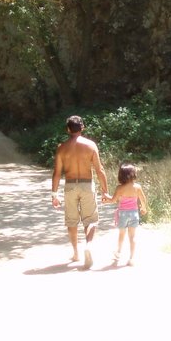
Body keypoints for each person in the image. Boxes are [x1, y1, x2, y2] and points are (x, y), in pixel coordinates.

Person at [51, 115, 109, 269]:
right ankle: (88, 246)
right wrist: (105, 191)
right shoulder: (90, 145)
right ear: (82, 127)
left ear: (68, 129)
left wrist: (54, 194)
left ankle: (76, 252)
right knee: (90, 220)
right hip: (87, 185)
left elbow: (57, 173)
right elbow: (99, 169)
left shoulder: (62, 148)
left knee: (71, 221)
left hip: (70, 185)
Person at [102, 163, 148, 266]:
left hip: (123, 214)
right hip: (134, 214)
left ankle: (118, 252)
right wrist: (143, 208)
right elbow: (143, 199)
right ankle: (131, 258)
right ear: (134, 174)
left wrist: (106, 198)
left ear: (121, 175)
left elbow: (113, 200)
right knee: (132, 237)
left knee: (121, 235)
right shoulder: (137, 187)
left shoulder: (120, 188)